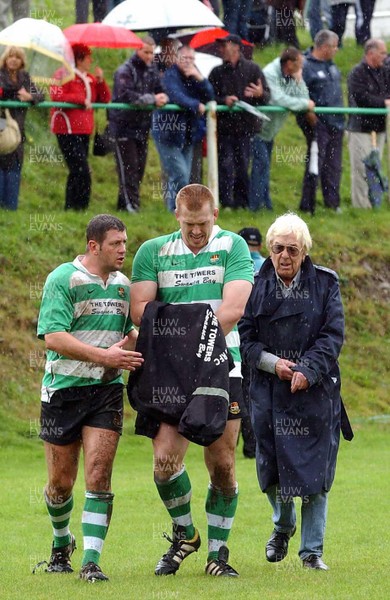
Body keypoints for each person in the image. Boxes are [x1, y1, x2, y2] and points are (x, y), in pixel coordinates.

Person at [130, 183, 253, 577]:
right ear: (176, 216)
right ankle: (185, 535)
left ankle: (219, 554)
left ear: (215, 215)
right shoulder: (153, 252)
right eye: (189, 224)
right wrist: (181, 343)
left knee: (222, 464)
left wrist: (180, 331)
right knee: (164, 463)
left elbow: (232, 309)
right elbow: (140, 312)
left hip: (221, 364)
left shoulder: (233, 247)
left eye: (203, 223)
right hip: (168, 371)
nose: (196, 231)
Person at [239, 212, 351, 571]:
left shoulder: (325, 284)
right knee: (270, 472)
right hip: (268, 392)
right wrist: (274, 364)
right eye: (277, 249)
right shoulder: (253, 285)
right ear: (269, 251)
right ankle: (283, 525)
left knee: (315, 474)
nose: (284, 256)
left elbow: (331, 336)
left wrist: (307, 369)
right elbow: (246, 339)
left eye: (292, 249)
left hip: (314, 394)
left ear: (304, 251)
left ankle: (312, 552)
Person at [35, 214, 143, 583]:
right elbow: (54, 337)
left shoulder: (123, 285)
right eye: (116, 243)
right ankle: (61, 544)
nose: (123, 249)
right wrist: (105, 356)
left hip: (106, 392)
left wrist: (134, 343)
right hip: (63, 392)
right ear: (94, 245)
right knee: (60, 484)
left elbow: (126, 329)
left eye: (125, 243)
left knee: (99, 475)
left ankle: (91, 563)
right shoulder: (63, 279)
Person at [249, 47, 314, 211]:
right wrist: (305, 104)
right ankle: (255, 206)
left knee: (264, 166)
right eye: (299, 63)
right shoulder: (270, 72)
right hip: (257, 128)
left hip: (270, 131)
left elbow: (303, 98)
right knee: (261, 165)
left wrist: (299, 82)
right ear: (289, 63)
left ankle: (265, 204)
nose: (302, 67)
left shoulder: (293, 74)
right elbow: (277, 99)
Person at [208, 34, 270, 209]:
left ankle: (241, 203)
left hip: (246, 128)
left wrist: (260, 94)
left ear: (236, 47)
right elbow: (209, 96)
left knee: (243, 165)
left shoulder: (253, 69)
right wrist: (223, 101)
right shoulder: (216, 72)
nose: (220, 49)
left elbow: (266, 96)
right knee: (225, 165)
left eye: (223, 45)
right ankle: (226, 202)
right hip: (224, 128)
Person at [109, 36, 168, 213]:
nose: (149, 56)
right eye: (146, 52)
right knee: (129, 169)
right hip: (123, 126)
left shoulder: (152, 70)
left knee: (139, 169)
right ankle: (131, 206)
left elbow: (160, 89)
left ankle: (124, 205)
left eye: (152, 52)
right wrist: (152, 99)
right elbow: (125, 96)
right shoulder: (124, 70)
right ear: (137, 50)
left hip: (142, 127)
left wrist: (164, 96)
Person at [152, 46, 214, 212]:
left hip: (188, 133)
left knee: (183, 174)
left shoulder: (194, 74)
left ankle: (174, 210)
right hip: (168, 131)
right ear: (177, 58)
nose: (188, 62)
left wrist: (200, 79)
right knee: (180, 174)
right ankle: (177, 210)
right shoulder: (169, 75)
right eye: (185, 58)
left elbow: (210, 96)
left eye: (191, 59)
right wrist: (195, 104)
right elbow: (175, 96)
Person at [50, 44, 111, 211]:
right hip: (67, 130)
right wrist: (78, 99)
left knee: (78, 171)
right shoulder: (63, 74)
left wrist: (100, 82)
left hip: (84, 130)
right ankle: (76, 206)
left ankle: (76, 208)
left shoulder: (90, 78)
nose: (91, 60)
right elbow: (56, 95)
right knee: (81, 169)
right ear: (79, 59)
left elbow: (104, 99)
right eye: (88, 57)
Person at [298, 29, 344, 214]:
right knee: (315, 163)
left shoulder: (332, 66)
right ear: (324, 47)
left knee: (334, 165)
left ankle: (332, 203)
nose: (336, 50)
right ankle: (308, 205)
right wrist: (308, 114)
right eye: (334, 46)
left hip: (337, 123)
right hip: (318, 124)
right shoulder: (306, 65)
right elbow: (299, 92)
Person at [347, 38, 390, 208]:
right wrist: (384, 103)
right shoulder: (357, 73)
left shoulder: (384, 71)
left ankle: (375, 203)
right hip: (360, 128)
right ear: (370, 53)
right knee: (361, 168)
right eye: (382, 53)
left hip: (379, 128)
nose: (385, 57)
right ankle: (361, 206)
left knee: (375, 168)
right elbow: (361, 97)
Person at [0, 46, 44, 211]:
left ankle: (11, 207)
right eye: (11, 56)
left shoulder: (25, 77)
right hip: (2, 123)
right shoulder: (0, 74)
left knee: (15, 162)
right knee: (2, 159)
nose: (13, 60)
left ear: (22, 61)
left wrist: (29, 96)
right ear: (5, 58)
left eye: (17, 57)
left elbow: (41, 95)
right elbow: (3, 91)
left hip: (19, 126)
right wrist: (17, 93)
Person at [237, 226, 265, 459]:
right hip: (263, 341)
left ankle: (243, 442)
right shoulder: (268, 266)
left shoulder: (237, 267)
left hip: (236, 337)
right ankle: (255, 442)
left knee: (239, 390)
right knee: (256, 391)